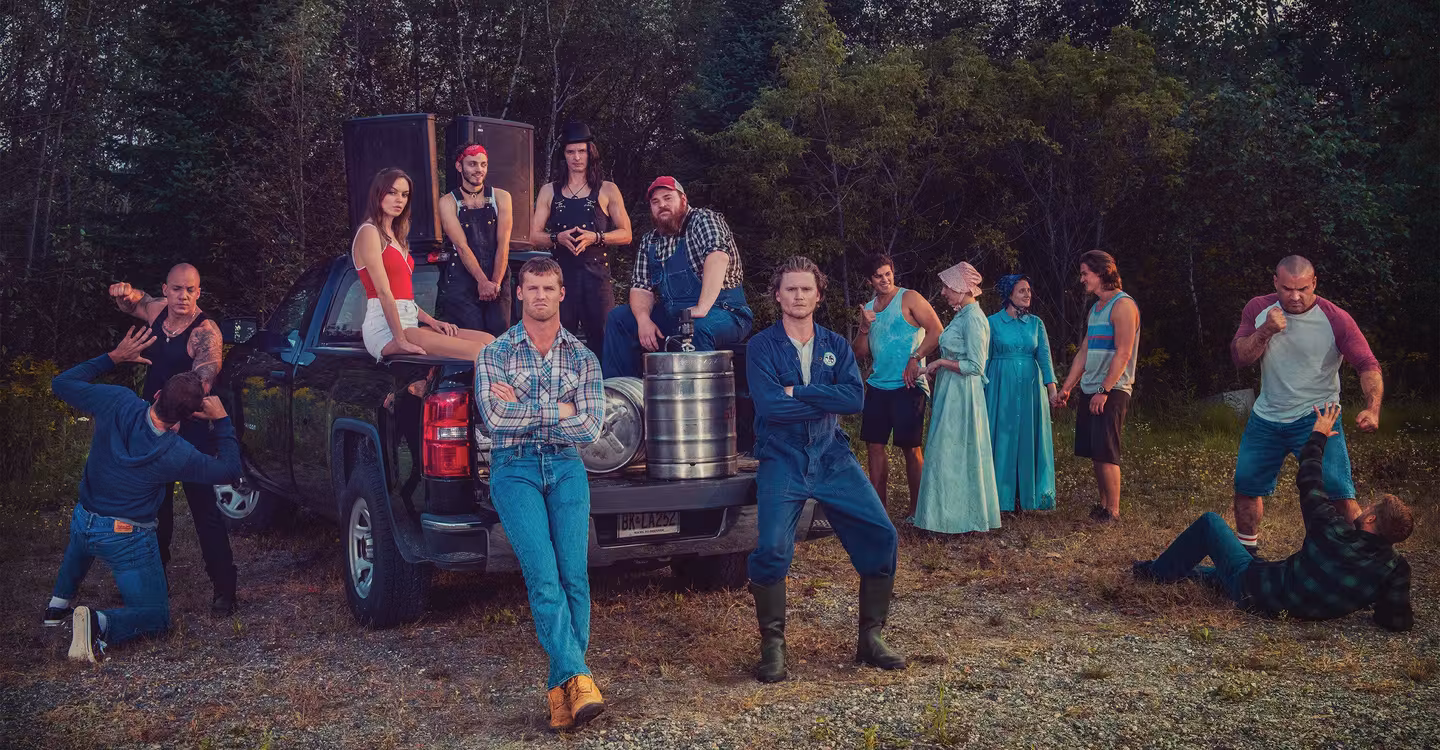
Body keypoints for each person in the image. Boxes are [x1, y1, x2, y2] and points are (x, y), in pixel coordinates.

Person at [745, 256, 904, 684]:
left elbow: (854, 399)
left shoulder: (835, 344)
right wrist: (822, 397)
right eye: (790, 289)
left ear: (818, 295)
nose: (798, 296)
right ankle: (773, 645)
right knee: (772, 548)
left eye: (806, 289)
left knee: (882, 535)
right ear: (777, 295)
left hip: (832, 455)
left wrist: (798, 391)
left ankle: (871, 637)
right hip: (783, 455)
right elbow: (770, 406)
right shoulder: (761, 346)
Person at [44, 328, 241, 662]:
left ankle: (57, 607)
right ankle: (98, 623)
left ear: (157, 394)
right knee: (156, 617)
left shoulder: (118, 401)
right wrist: (222, 421)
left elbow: (61, 383)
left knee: (84, 536)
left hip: (84, 518)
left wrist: (112, 357)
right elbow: (229, 471)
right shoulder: (176, 454)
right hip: (125, 536)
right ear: (190, 416)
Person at [1133, 404, 1413, 632]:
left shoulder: (1333, 531)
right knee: (1223, 574)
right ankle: (1182, 572)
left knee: (1210, 523)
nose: (1364, 508)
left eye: (1369, 508)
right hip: (1284, 595)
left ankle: (1153, 574)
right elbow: (1397, 621)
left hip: (1258, 591)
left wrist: (1318, 435)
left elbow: (1310, 480)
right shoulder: (1395, 568)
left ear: (1371, 520)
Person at [473, 257, 606, 731]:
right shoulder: (494, 353)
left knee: (575, 577)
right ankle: (580, 678)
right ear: (520, 293)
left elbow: (590, 426)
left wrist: (527, 407)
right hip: (514, 468)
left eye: (549, 288)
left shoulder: (584, 357)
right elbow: (495, 419)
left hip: (567, 466)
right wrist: (560, 408)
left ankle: (562, 690)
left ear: (562, 293)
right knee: (544, 576)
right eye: (532, 288)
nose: (541, 296)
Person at [1229, 255, 1383, 555]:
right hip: (1267, 417)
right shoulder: (1258, 309)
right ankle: (1246, 559)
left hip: (1318, 417)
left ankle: (1362, 559)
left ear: (1314, 283)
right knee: (1246, 488)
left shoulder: (1335, 318)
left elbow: (1367, 364)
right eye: (1287, 289)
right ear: (1275, 282)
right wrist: (1266, 331)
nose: (1295, 296)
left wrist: (1373, 408)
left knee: (1339, 494)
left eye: (1302, 288)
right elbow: (1240, 357)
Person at [109, 262, 237, 615]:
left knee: (205, 512)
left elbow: (204, 379)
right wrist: (122, 292)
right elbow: (135, 302)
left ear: (199, 292)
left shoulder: (205, 332)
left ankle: (225, 590)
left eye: (191, 290)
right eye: (177, 289)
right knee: (154, 511)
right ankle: (153, 585)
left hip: (190, 430)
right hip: (153, 428)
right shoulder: (157, 311)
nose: (184, 296)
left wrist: (177, 412)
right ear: (165, 290)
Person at [602, 177, 754, 377]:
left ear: (683, 200)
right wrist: (643, 320)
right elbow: (640, 287)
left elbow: (717, 257)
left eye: (668, 198)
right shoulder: (650, 240)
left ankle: (697, 395)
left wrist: (702, 307)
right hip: (675, 315)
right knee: (619, 318)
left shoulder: (703, 220)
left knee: (694, 329)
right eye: (655, 202)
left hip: (725, 312)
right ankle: (623, 392)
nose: (661, 205)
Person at [352, 168, 494, 361]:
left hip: (408, 322)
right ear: (378, 194)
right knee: (478, 351)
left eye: (404, 195)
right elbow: (384, 292)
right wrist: (400, 340)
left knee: (490, 342)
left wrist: (433, 322)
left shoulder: (397, 237)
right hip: (385, 328)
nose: (399, 200)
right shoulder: (369, 232)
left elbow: (404, 298)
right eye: (392, 192)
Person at [529, 122, 634, 355]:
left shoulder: (607, 189)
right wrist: (557, 237)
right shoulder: (549, 190)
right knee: (557, 341)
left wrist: (596, 237)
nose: (576, 157)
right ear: (564, 155)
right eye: (570, 152)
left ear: (590, 153)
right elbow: (534, 235)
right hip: (560, 277)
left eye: (581, 151)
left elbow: (626, 233)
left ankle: (604, 379)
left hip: (596, 277)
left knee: (604, 340)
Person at [853, 254, 942, 520]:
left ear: (893, 273)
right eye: (878, 276)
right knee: (874, 447)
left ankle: (917, 512)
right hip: (878, 386)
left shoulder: (909, 298)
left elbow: (937, 330)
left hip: (909, 384)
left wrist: (916, 358)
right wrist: (864, 327)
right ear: (869, 281)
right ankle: (879, 512)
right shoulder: (870, 308)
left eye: (888, 273)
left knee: (911, 448)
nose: (885, 279)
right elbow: (859, 352)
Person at [1052, 251, 1140, 523]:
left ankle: (1113, 511)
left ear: (1101, 273)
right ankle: (1103, 505)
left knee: (1106, 450)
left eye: (1085, 274)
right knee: (1096, 451)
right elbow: (1084, 352)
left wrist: (1104, 390)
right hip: (1092, 387)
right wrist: (1067, 388)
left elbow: (1123, 353)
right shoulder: (1096, 309)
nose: (1082, 279)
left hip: (1112, 389)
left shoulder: (1123, 305)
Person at [914, 262, 1001, 534]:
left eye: (947, 287)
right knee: (946, 451)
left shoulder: (974, 318)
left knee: (954, 450)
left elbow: (975, 365)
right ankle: (942, 517)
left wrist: (940, 362)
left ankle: (959, 519)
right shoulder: (963, 316)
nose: (943, 292)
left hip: (963, 394)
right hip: (951, 389)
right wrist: (931, 367)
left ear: (963, 289)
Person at [985, 274, 1057, 512]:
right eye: (1022, 291)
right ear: (1009, 294)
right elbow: (984, 359)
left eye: (1029, 290)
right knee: (1002, 436)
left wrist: (1052, 391)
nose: (1028, 295)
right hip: (1000, 386)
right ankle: (1000, 497)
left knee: (1028, 436)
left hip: (1030, 387)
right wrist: (980, 391)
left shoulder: (1036, 323)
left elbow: (1044, 358)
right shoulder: (992, 322)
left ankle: (1026, 496)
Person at [438, 142, 514, 335]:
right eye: (472, 164)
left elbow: (503, 243)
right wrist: (482, 281)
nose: (479, 169)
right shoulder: (448, 202)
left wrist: (495, 284)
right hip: (463, 281)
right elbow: (461, 246)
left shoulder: (502, 197)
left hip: (497, 277)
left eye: (483, 164)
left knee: (499, 335)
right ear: (459, 166)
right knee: (472, 338)